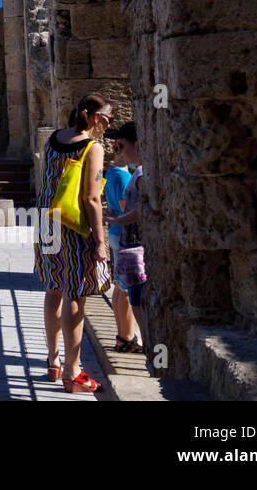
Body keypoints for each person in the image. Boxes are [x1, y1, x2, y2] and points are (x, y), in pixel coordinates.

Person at [34, 94, 113, 393]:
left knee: (53, 288)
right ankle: (72, 371)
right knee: (76, 292)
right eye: (107, 118)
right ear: (94, 117)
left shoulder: (53, 138)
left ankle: (53, 361)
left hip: (47, 220)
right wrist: (100, 242)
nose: (108, 124)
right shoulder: (92, 147)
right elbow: (92, 198)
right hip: (72, 226)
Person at [106, 124, 148, 351]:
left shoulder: (139, 175)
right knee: (131, 295)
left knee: (134, 297)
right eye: (117, 146)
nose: (119, 151)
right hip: (127, 243)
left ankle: (134, 340)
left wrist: (118, 220)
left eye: (122, 146)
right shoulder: (132, 174)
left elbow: (143, 209)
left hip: (133, 245)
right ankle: (129, 338)